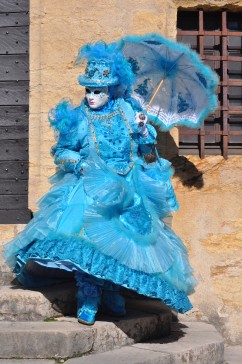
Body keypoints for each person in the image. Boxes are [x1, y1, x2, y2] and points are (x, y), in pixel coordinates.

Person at [3, 41, 196, 325]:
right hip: (91, 188)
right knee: (90, 242)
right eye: (88, 90)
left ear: (111, 89)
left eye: (98, 90)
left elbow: (147, 155)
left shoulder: (129, 113)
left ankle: (113, 293)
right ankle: (89, 297)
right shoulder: (79, 119)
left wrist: (144, 130)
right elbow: (63, 152)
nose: (92, 96)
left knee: (125, 246)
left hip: (129, 189)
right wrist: (79, 164)